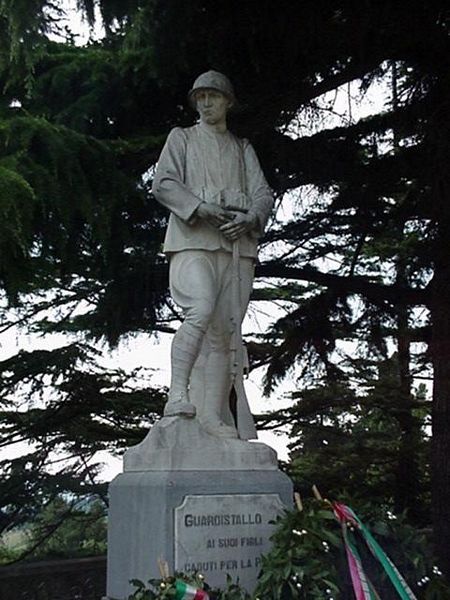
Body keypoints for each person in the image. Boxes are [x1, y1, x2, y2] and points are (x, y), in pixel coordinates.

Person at [152, 70, 273, 439]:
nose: (206, 103)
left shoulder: (242, 148)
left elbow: (263, 195)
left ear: (228, 102)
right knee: (200, 308)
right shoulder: (182, 138)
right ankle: (177, 396)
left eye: (213, 97)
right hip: (192, 241)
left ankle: (210, 417)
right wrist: (200, 208)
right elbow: (164, 183)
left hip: (236, 248)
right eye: (200, 97)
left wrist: (251, 217)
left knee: (225, 333)